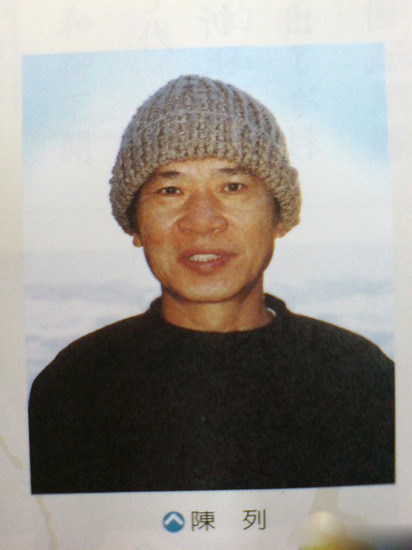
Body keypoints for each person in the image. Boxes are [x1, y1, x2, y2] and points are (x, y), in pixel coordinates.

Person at [28, 75, 394, 494]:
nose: (202, 220)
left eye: (232, 186)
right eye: (170, 189)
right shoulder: (76, 386)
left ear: (278, 215)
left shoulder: (360, 378)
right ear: (136, 225)